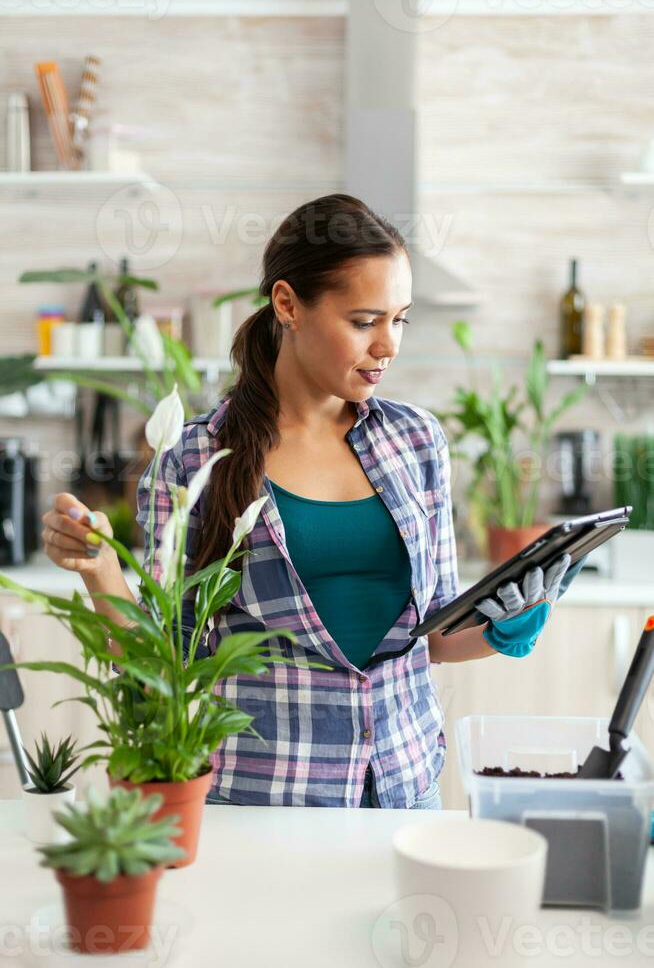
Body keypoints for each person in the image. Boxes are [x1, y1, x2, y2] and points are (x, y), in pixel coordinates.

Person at [41, 194, 584, 809]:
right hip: (263, 799)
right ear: (287, 304)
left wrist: (511, 624)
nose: (389, 346)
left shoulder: (416, 441)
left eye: (399, 319)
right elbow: (164, 665)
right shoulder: (195, 460)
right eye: (364, 321)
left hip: (406, 787)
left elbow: (434, 635)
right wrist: (101, 571)